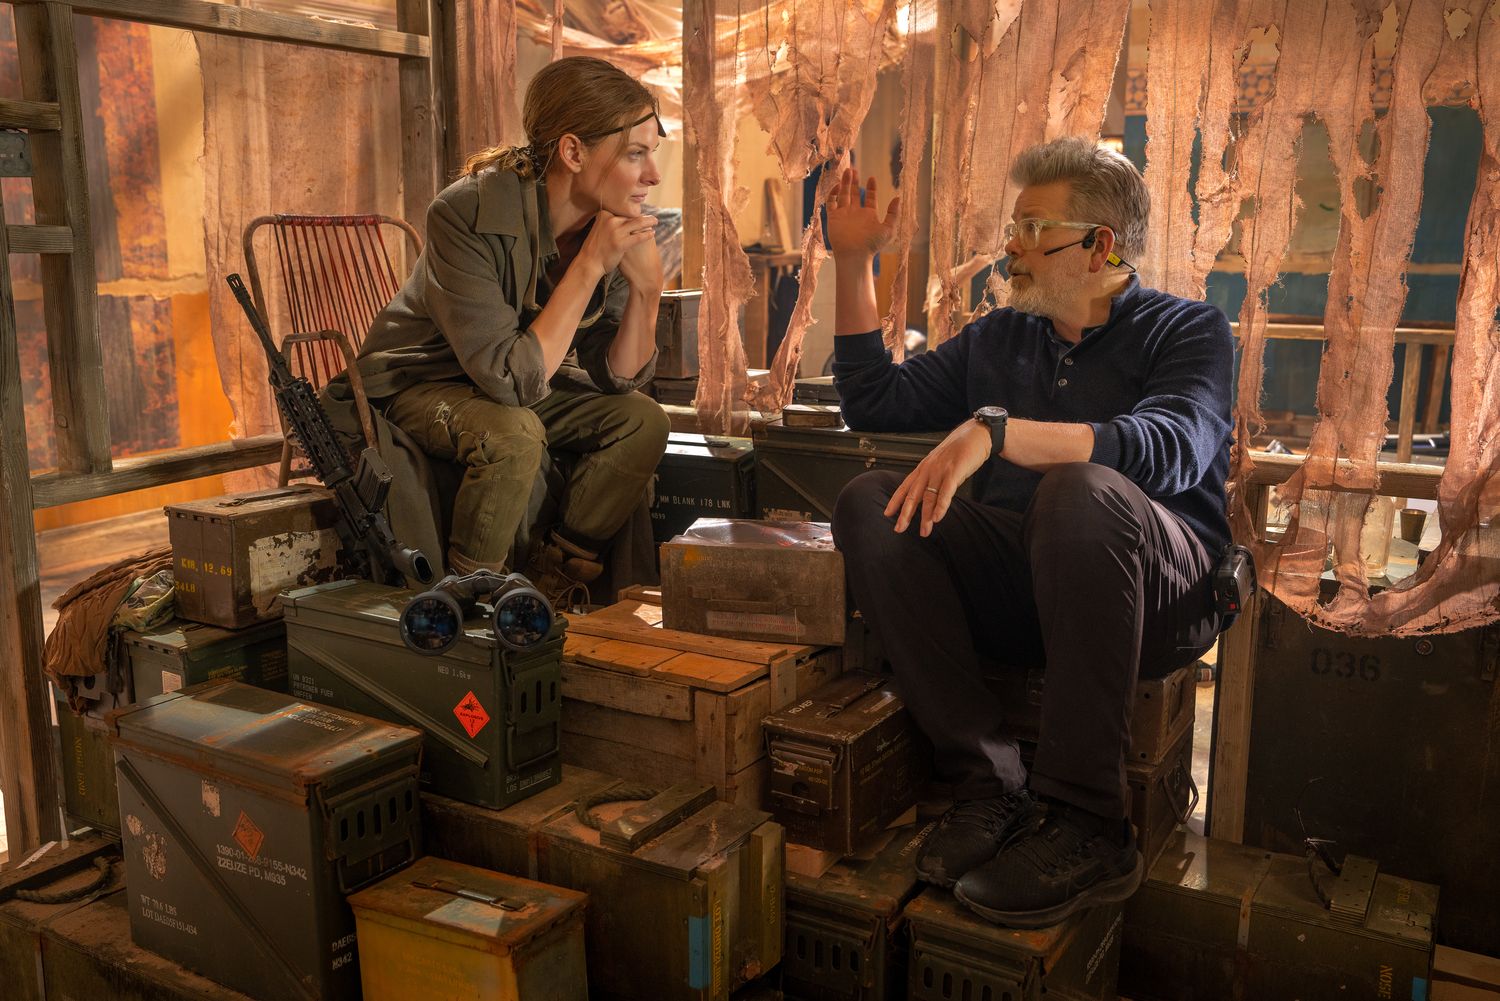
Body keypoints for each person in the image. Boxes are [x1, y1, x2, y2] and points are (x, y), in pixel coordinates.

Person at [824, 137, 1234, 927]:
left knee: (1078, 489)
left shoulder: (1189, 330)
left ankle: (1089, 819)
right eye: (1013, 227)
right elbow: (873, 400)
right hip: (1035, 584)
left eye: (1032, 228)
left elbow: (1170, 447)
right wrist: (852, 261)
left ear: (1100, 246)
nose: (1010, 247)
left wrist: (997, 430)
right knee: (871, 502)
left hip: (1157, 596)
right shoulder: (1001, 336)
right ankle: (990, 782)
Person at [326, 56, 671, 605]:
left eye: (653, 153)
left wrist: (649, 292)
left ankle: (552, 580)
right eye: (635, 154)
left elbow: (618, 376)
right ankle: (470, 601)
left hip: (510, 383)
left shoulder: (605, 225)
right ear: (573, 152)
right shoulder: (466, 212)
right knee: (513, 434)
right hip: (418, 383)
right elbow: (509, 383)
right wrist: (588, 268)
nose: (653, 174)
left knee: (643, 421)